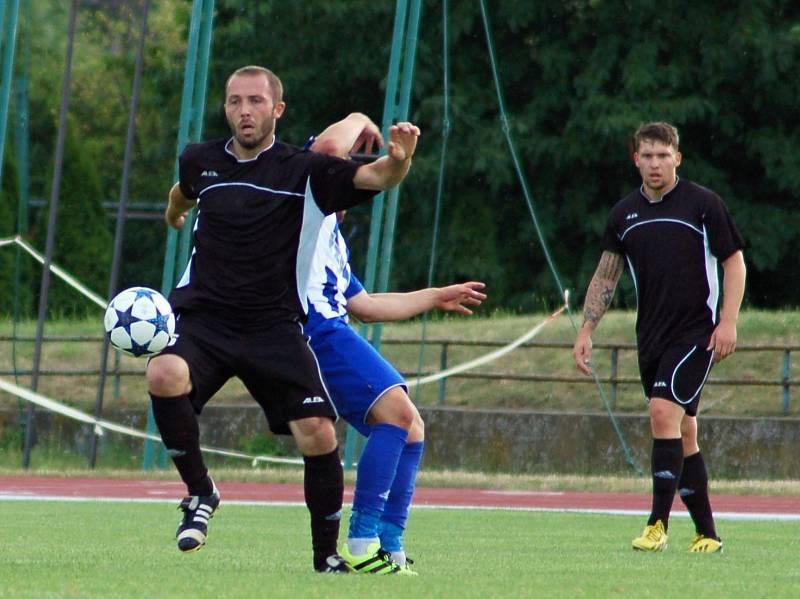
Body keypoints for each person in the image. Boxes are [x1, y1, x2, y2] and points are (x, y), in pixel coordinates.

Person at [146, 65, 420, 574]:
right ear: (225, 108)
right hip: (204, 320)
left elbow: (375, 175)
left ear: (277, 109)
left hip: (274, 325)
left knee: (319, 432)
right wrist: (172, 215)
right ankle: (200, 494)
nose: (243, 111)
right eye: (234, 101)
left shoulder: (304, 170)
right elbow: (182, 192)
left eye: (254, 101)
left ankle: (327, 557)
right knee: (163, 373)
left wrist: (399, 162)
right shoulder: (200, 160)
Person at [306, 112, 487, 575]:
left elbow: (365, 305)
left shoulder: (332, 236)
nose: (350, 180)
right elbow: (324, 151)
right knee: (399, 416)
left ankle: (390, 543)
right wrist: (359, 119)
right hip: (313, 332)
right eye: (345, 171)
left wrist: (435, 295)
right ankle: (364, 543)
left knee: (412, 426)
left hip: (332, 330)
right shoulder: (305, 203)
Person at [572, 121, 746, 553]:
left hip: (696, 334)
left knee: (662, 412)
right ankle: (708, 534)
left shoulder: (704, 204)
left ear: (677, 159)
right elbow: (606, 274)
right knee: (684, 431)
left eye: (663, 155)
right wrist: (586, 329)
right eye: (647, 155)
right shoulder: (623, 214)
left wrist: (728, 322)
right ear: (636, 159)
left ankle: (656, 525)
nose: (655, 163)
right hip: (650, 337)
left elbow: (734, 263)